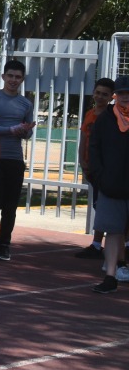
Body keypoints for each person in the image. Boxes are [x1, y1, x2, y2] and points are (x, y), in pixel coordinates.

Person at [0, 60, 36, 262]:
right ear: (3, 76)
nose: (13, 80)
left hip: (15, 159)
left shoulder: (26, 103)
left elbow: (27, 134)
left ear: (22, 79)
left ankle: (4, 245)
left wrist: (25, 130)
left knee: (10, 206)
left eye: (17, 77)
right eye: (10, 76)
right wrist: (11, 130)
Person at [85, 75, 129, 293]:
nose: (125, 97)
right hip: (111, 186)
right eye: (121, 93)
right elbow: (94, 148)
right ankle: (110, 275)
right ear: (116, 95)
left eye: (128, 93)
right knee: (112, 231)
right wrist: (100, 177)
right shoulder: (105, 119)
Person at [75, 78, 117, 259]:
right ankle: (97, 243)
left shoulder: (111, 116)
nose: (100, 97)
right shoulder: (90, 114)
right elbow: (84, 137)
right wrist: (82, 161)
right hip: (91, 166)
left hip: (104, 168)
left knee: (104, 205)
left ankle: (101, 243)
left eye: (105, 94)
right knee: (97, 204)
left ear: (111, 97)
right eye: (98, 92)